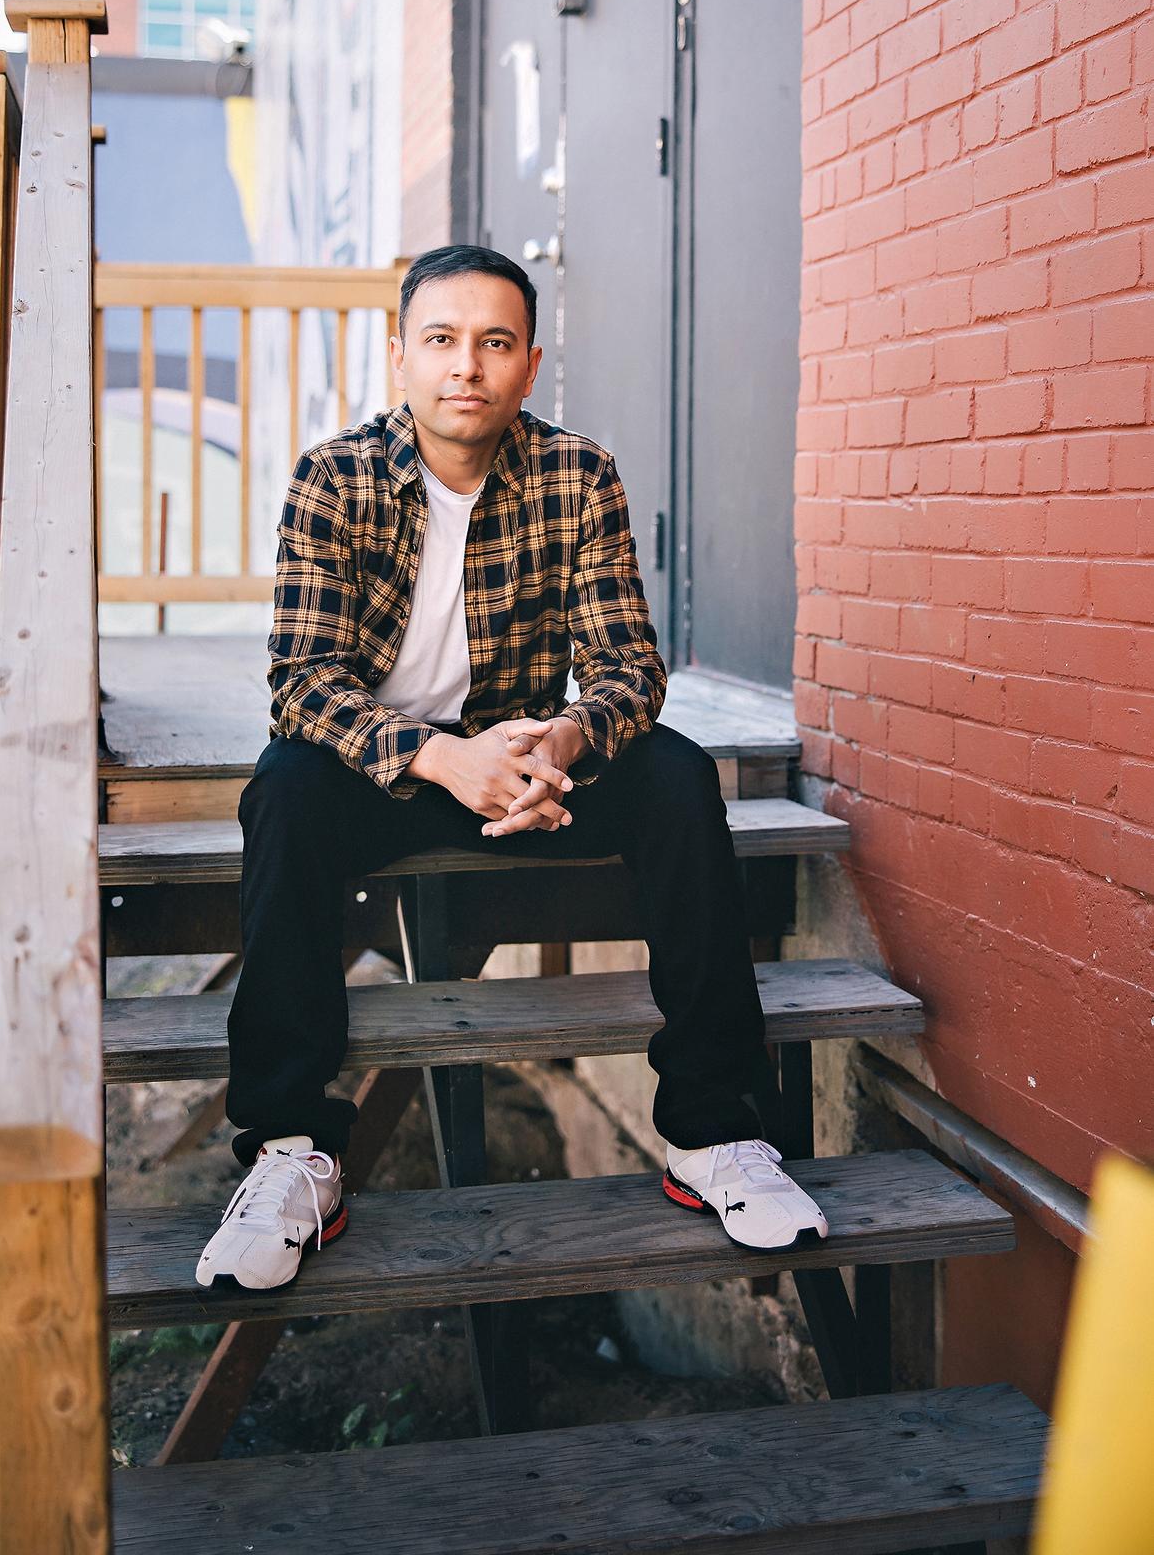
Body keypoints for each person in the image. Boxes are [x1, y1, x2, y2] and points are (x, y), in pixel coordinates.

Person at [197, 245, 828, 1293]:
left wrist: (564, 742)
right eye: (441, 340)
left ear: (529, 364)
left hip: (533, 761)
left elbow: (627, 665)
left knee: (675, 778)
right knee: (285, 786)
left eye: (494, 342)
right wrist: (446, 758)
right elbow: (301, 683)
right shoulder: (334, 475)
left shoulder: (576, 472)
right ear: (398, 354)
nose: (466, 366)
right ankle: (290, 1150)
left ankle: (713, 1131)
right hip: (393, 770)